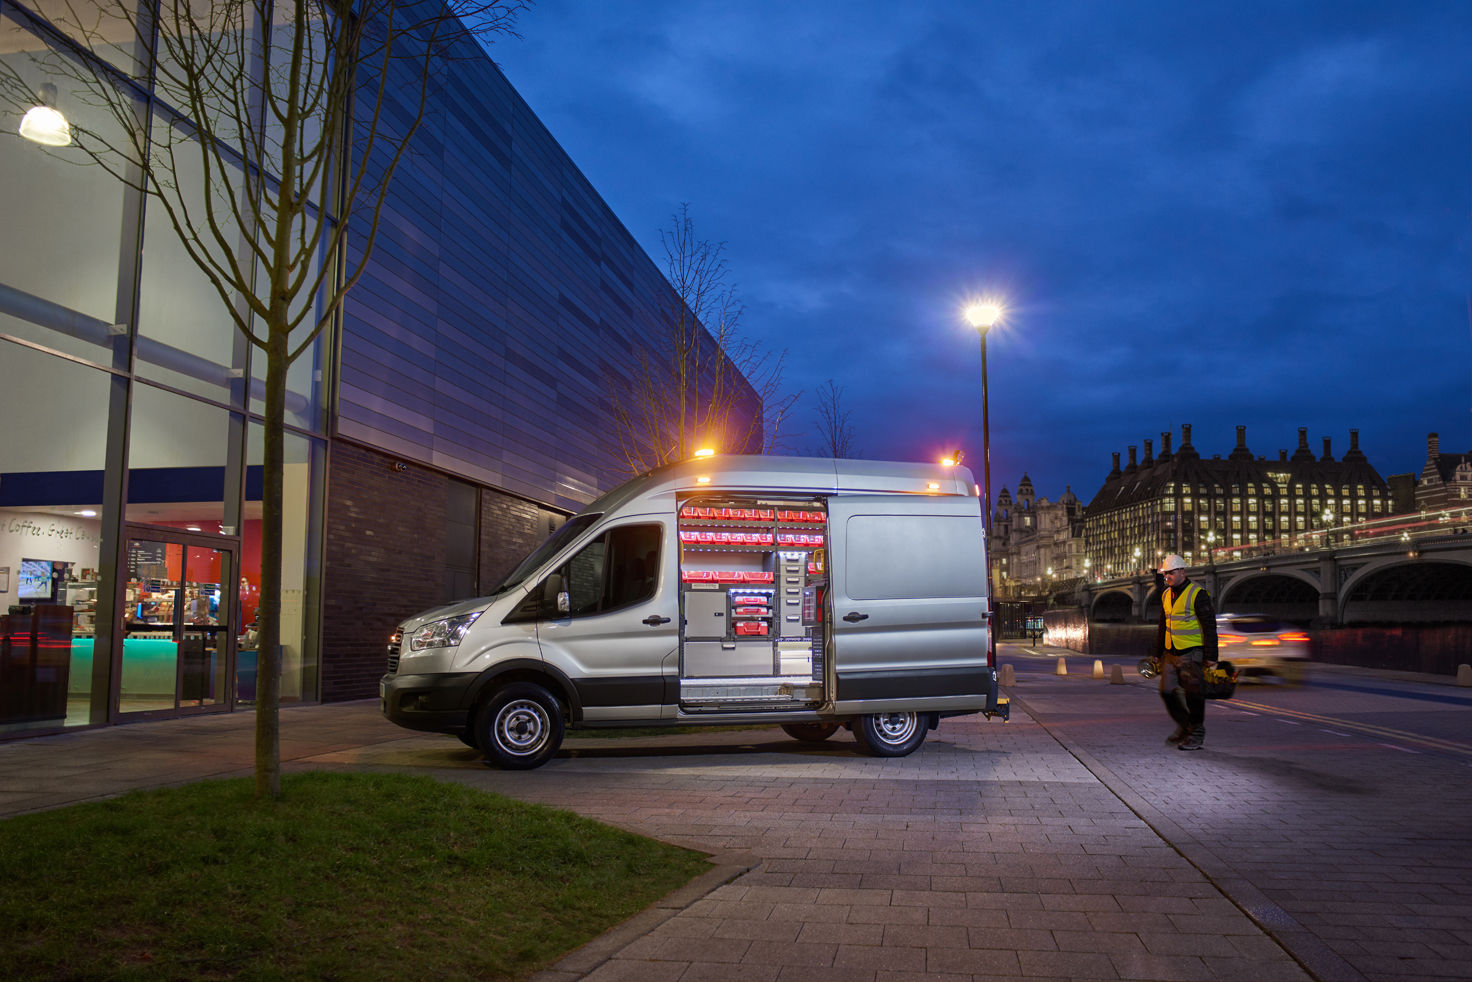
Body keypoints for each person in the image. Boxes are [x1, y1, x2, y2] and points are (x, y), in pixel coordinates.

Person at [1153, 554, 1217, 751]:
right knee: (1166, 691)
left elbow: (1209, 626)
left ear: (1182, 572)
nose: (1168, 577)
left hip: (1191, 652)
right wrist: (1157, 653)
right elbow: (1163, 625)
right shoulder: (1166, 594)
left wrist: (1211, 657)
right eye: (1165, 574)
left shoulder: (1198, 593)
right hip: (1171, 653)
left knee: (1193, 695)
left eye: (1171, 573)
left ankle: (1196, 733)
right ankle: (1186, 727)